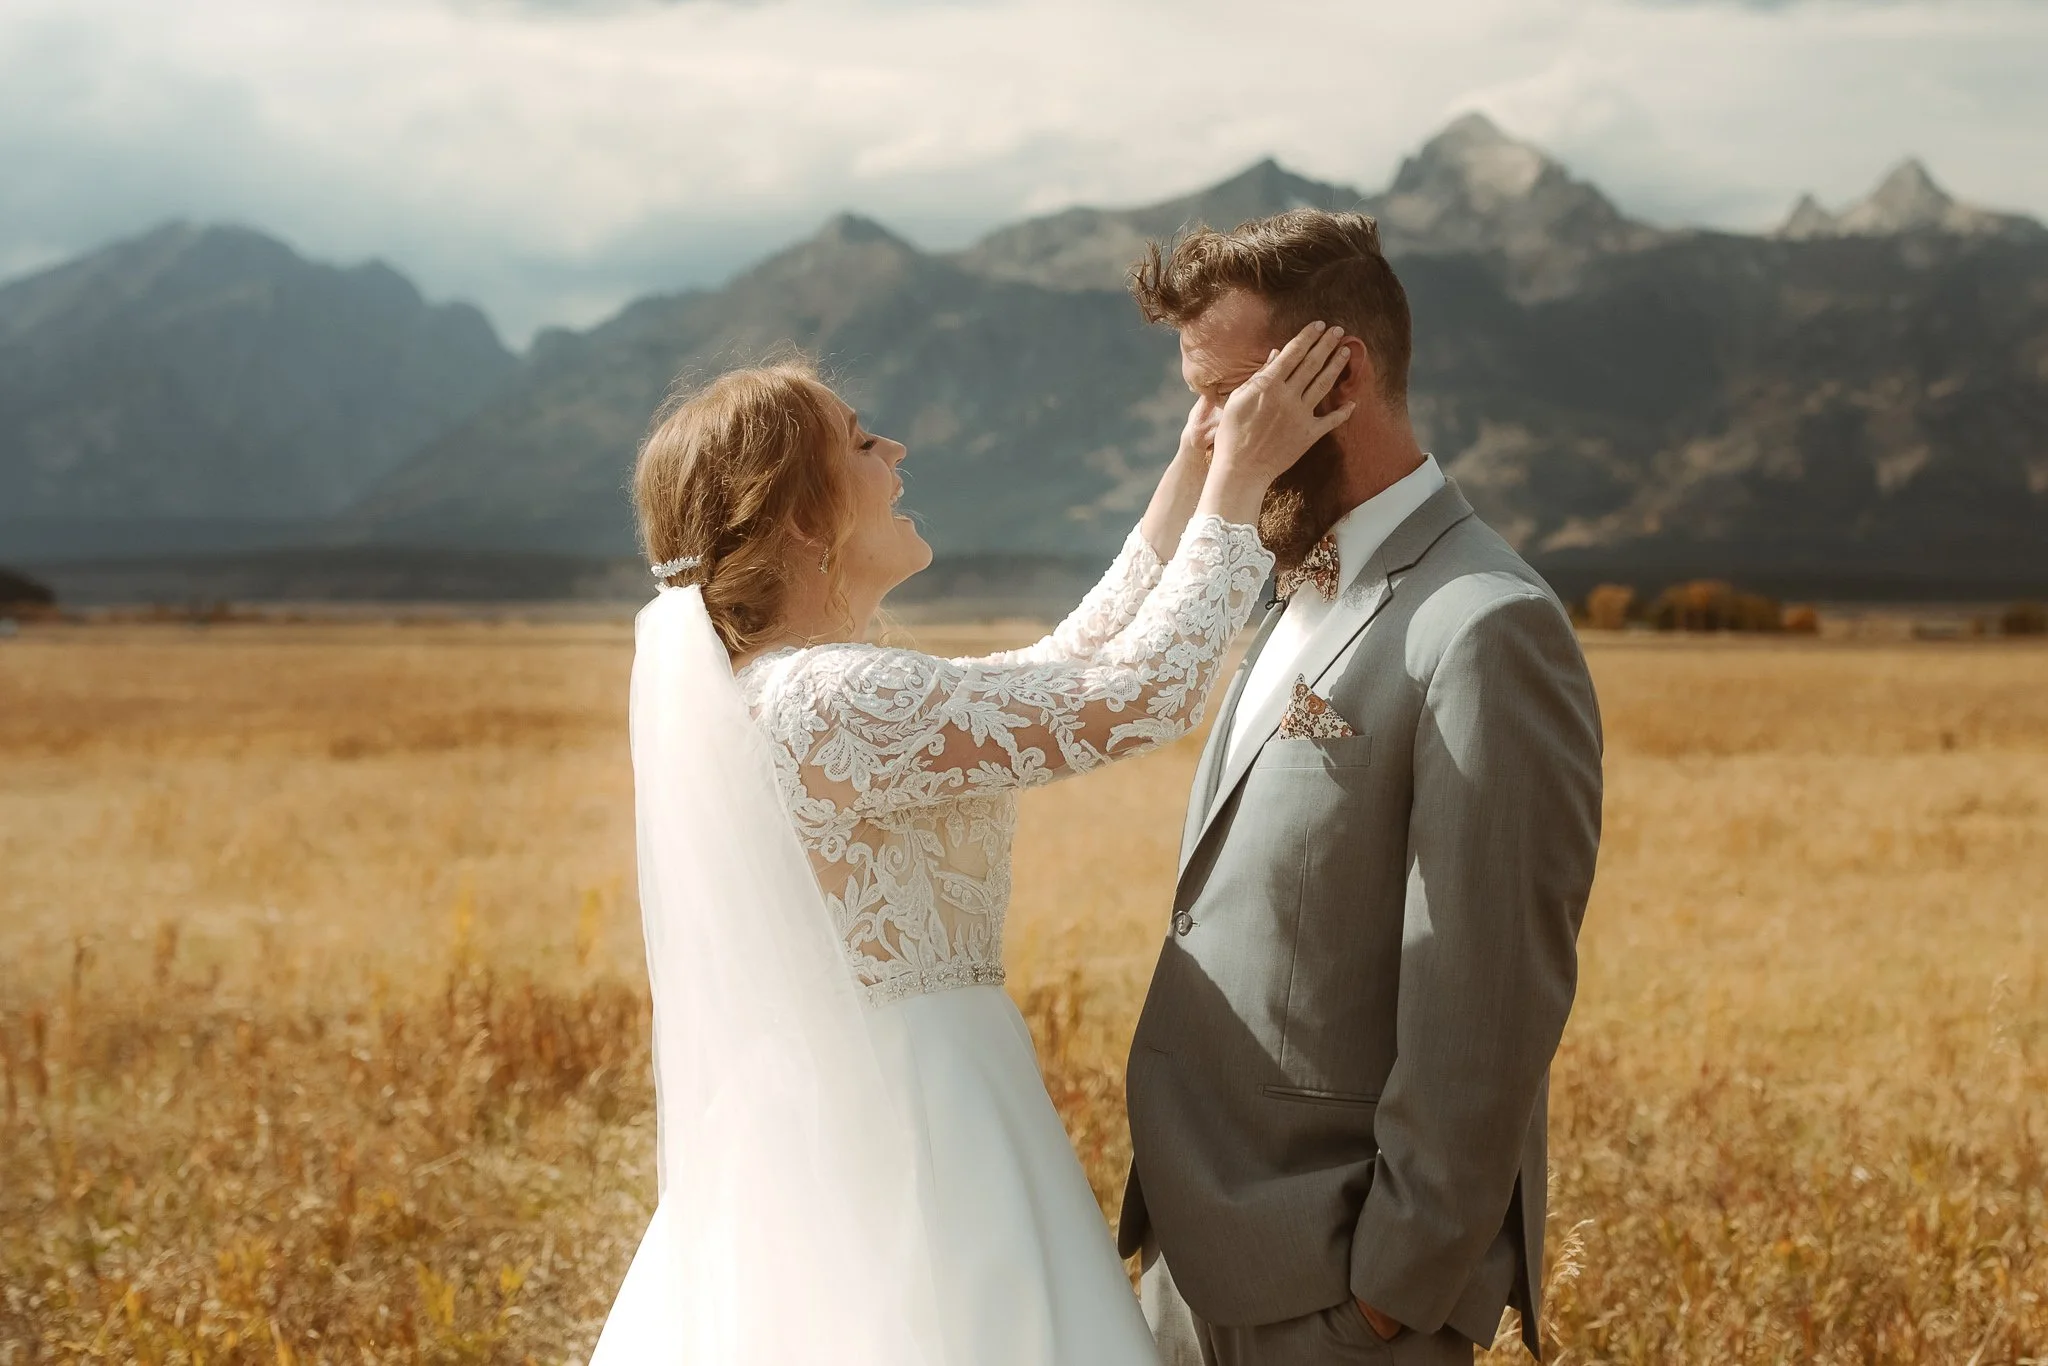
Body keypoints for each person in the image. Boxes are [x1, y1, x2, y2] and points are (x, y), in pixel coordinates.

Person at [589, 322, 1354, 1365]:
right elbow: (1132, 698)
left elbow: (1059, 665)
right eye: (860, 442)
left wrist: (1187, 477)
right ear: (801, 517)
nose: (893, 453)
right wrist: (1240, 483)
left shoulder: (801, 690)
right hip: (922, 1131)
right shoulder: (834, 697)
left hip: (887, 1099)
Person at [1117, 209, 1605, 1365]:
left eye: (1235, 398)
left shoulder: (1485, 625)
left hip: (1337, 1295)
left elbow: (1486, 1000)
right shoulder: (1286, 584)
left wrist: (1390, 1291)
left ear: (1345, 372)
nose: (1210, 439)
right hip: (1189, 1259)